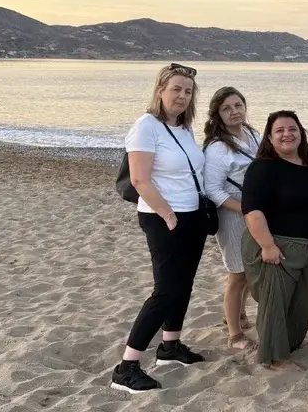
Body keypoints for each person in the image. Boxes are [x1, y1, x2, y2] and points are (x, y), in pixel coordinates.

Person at [110, 63, 208, 394]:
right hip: (163, 217)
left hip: (191, 215)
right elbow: (139, 179)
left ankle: (170, 346)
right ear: (160, 90)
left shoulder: (184, 129)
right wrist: (167, 214)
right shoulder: (145, 126)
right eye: (176, 89)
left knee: (183, 285)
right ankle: (127, 367)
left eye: (188, 91)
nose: (182, 95)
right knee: (165, 291)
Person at [241, 110, 308, 371]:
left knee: (301, 303)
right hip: (277, 245)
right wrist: (268, 246)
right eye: (279, 130)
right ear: (270, 137)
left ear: (301, 133)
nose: (287, 134)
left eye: (292, 129)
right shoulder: (263, 167)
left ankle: (288, 343)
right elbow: (252, 210)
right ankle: (274, 357)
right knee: (275, 304)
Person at [202, 86, 261, 351]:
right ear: (218, 115)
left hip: (254, 211)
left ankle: (239, 315)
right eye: (226, 108)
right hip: (233, 216)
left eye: (238, 105)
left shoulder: (251, 133)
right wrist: (244, 209)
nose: (234, 112)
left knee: (249, 271)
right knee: (237, 275)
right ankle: (235, 334)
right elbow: (213, 190)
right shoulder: (217, 148)